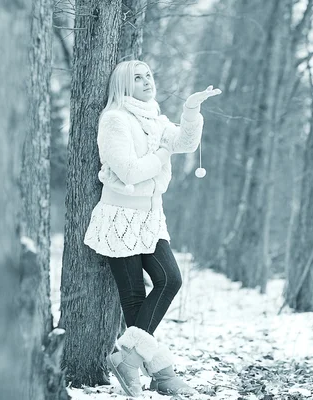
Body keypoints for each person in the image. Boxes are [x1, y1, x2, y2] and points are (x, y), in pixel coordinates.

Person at [83, 60, 221, 397]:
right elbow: (129, 170)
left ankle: (127, 359)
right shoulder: (114, 119)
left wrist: (191, 110)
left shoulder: (156, 119)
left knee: (170, 279)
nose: (147, 82)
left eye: (149, 76)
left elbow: (186, 143)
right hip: (118, 217)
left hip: (150, 217)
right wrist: (161, 154)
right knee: (134, 299)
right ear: (124, 85)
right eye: (138, 78)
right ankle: (162, 373)